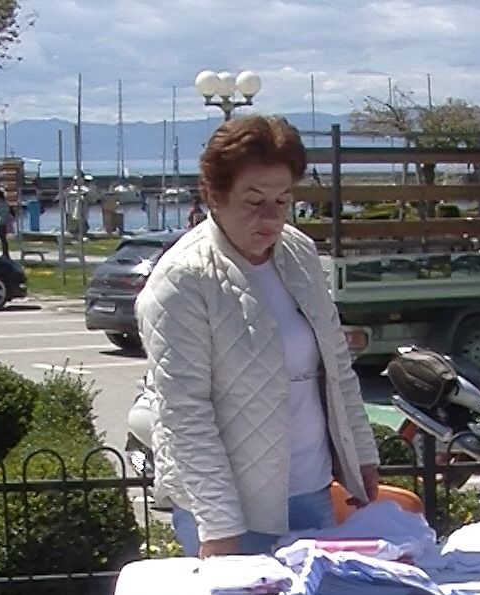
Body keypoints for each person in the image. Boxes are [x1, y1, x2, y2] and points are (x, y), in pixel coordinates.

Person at [137, 113, 380, 557]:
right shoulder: (182, 279)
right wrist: (219, 528)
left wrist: (361, 455)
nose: (270, 218)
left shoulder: (300, 253)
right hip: (231, 509)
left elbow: (337, 368)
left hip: (311, 489)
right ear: (214, 196)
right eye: (253, 201)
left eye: (282, 201)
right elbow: (184, 414)